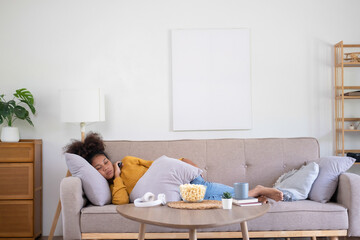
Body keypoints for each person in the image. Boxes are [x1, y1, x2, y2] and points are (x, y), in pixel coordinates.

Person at [64, 132, 283, 205]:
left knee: (204, 187)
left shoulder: (129, 160)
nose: (105, 169)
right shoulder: (115, 187)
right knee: (204, 195)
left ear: (108, 158)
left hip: (174, 178)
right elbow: (121, 202)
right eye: (99, 169)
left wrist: (181, 161)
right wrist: (118, 177)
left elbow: (155, 164)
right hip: (168, 190)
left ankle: (251, 195)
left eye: (105, 163)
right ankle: (251, 196)